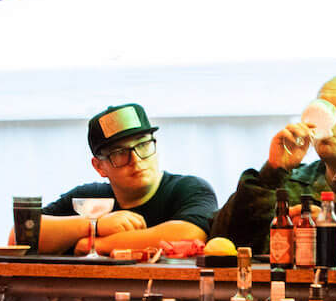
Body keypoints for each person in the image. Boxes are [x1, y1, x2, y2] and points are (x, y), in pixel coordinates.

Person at [209, 74, 336, 258]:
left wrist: (333, 231)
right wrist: (272, 171)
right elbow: (223, 239)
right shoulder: (294, 180)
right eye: (322, 111)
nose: (328, 122)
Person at [35, 105, 217, 254]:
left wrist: (94, 245)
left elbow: (191, 234)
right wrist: (95, 225)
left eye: (143, 144)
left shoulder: (190, 189)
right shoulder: (89, 199)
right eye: (120, 153)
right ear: (99, 166)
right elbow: (23, 235)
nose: (136, 160)